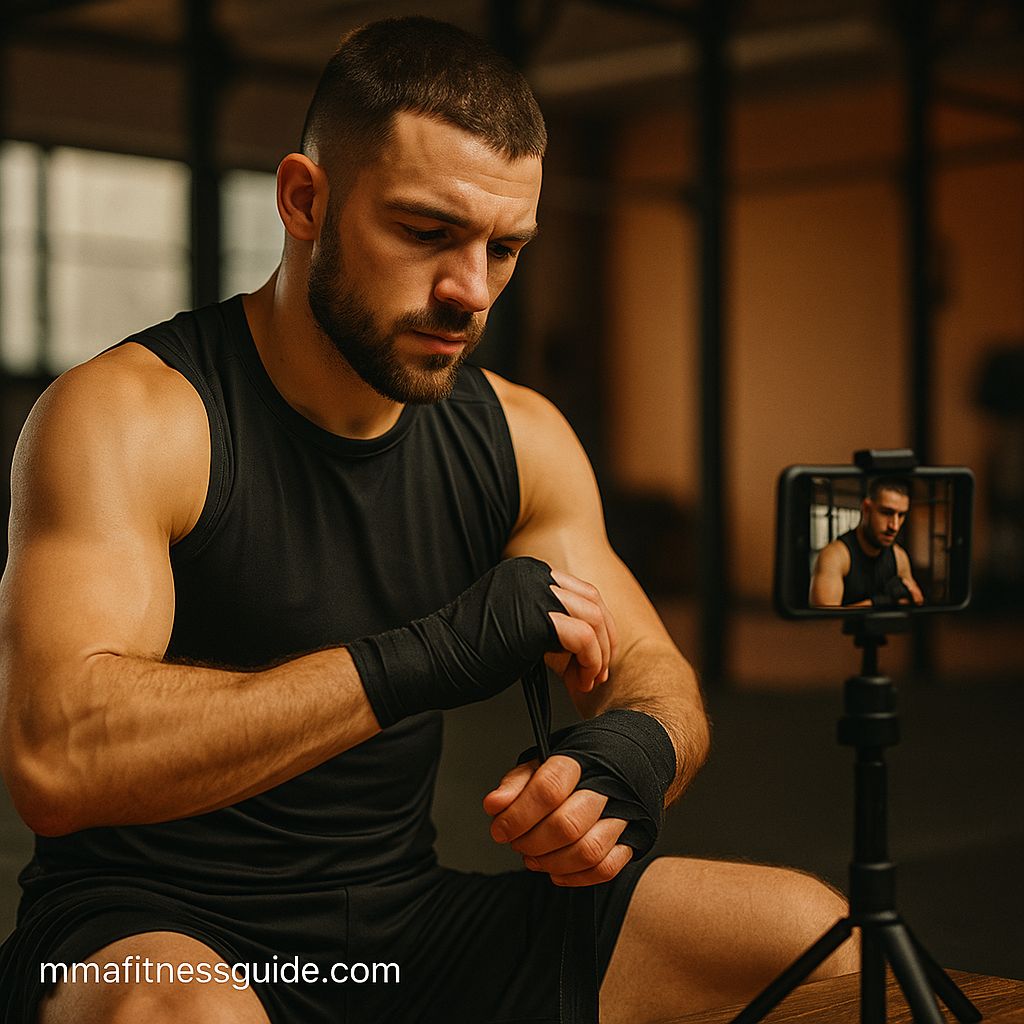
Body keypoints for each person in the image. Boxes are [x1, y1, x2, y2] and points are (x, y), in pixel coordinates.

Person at [0, 17, 856, 1024]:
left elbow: (653, 670)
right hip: (141, 934)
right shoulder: (135, 417)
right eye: (425, 233)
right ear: (303, 199)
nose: (470, 291)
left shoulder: (518, 436)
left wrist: (635, 750)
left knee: (809, 934)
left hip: (404, 932)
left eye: (505, 248)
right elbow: (57, 759)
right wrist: (421, 657)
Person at [809, 477, 925, 608]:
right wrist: (879, 602)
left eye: (901, 515)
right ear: (867, 508)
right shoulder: (835, 556)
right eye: (886, 513)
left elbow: (915, 603)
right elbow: (825, 622)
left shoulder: (899, 557)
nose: (895, 526)